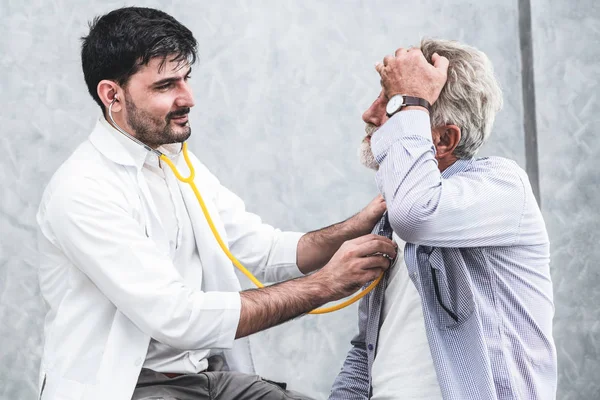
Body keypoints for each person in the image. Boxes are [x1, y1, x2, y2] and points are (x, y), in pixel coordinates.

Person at [36, 7, 397, 400]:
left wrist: (363, 221)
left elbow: (267, 250)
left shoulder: (174, 161)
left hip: (206, 379)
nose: (187, 97)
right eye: (165, 85)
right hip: (127, 388)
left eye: (186, 78)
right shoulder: (84, 189)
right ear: (113, 95)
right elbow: (179, 318)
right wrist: (325, 285)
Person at [330, 39, 557, 400]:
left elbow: (417, 213)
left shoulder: (502, 186)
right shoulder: (393, 218)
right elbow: (365, 350)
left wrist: (414, 100)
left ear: (444, 139)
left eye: (392, 104)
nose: (370, 115)